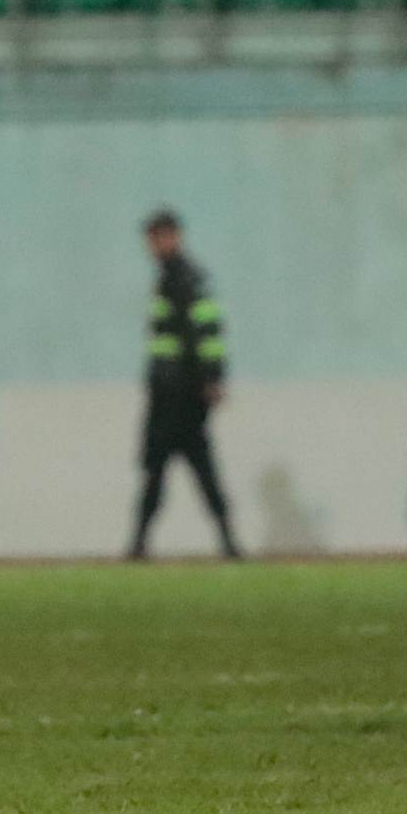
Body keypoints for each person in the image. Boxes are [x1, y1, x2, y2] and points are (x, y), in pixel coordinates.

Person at [130, 209, 240, 560]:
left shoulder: (182, 279)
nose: (153, 245)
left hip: (179, 395)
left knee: (172, 469)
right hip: (172, 392)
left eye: (158, 237)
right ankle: (225, 542)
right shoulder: (174, 277)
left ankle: (141, 545)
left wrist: (211, 378)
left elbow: (204, 335)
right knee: (178, 469)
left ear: (173, 236)